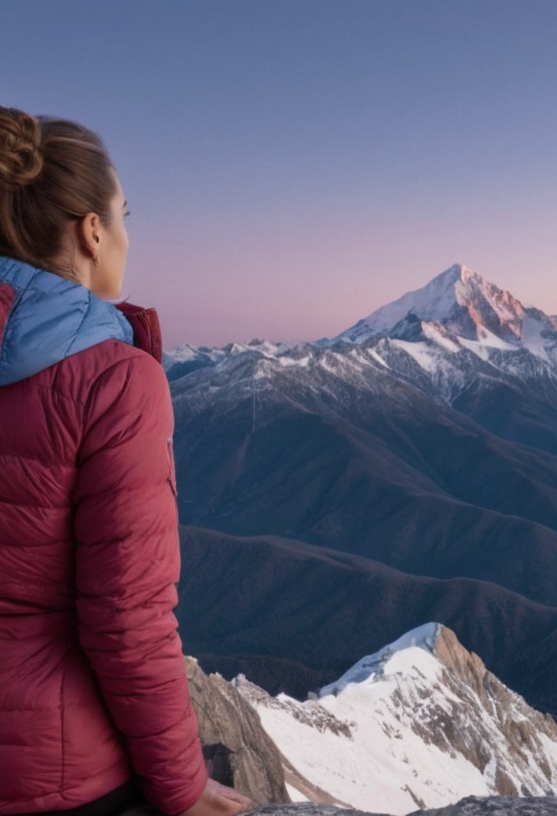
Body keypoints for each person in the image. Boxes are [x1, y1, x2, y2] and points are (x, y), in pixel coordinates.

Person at [0, 106, 255, 816]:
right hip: (56, 776)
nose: (127, 235)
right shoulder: (113, 379)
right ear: (91, 231)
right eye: (125, 214)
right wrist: (180, 785)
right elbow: (125, 616)